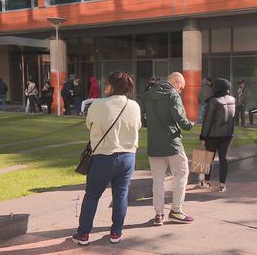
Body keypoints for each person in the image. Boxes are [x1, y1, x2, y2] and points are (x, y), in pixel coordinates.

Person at [72, 71, 141, 246]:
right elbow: (138, 126)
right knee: (121, 195)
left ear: (111, 86)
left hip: (103, 157)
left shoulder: (98, 105)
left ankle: (84, 234)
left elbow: (90, 124)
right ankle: (116, 232)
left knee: (92, 195)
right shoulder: (134, 106)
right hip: (127, 157)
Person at [143, 72, 194, 226]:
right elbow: (179, 116)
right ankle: (176, 210)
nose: (180, 91)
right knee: (181, 174)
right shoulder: (173, 94)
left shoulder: (149, 93)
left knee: (157, 180)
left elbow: (143, 117)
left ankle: (159, 214)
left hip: (154, 143)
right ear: (177, 82)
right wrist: (188, 125)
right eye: (181, 88)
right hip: (172, 142)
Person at [199, 78, 235, 192]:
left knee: (209, 157)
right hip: (228, 134)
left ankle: (207, 181)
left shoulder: (213, 101)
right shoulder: (232, 99)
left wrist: (203, 136)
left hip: (213, 134)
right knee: (224, 159)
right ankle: (222, 184)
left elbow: (208, 120)